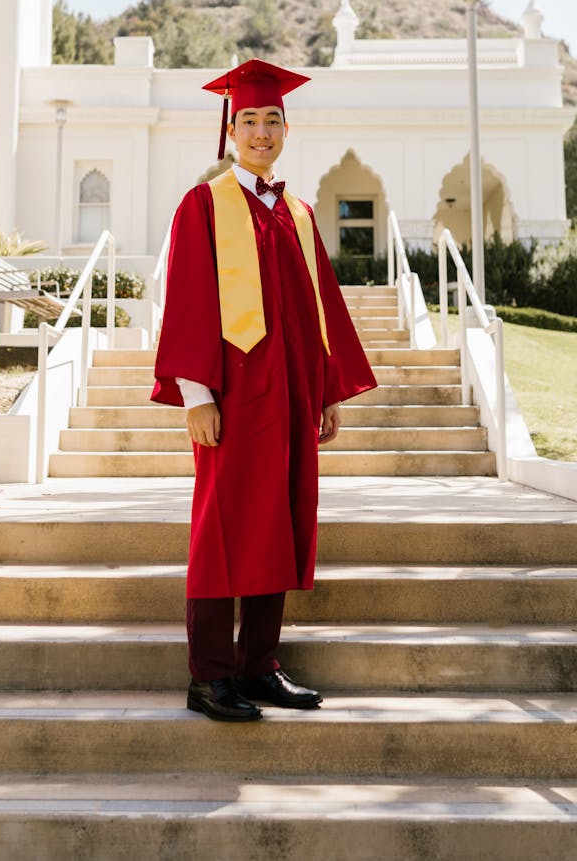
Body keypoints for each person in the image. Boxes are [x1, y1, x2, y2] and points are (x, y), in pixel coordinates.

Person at [152, 58, 376, 722]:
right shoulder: (205, 204)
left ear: (285, 128)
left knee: (279, 520)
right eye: (248, 120)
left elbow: (318, 311)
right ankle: (210, 674)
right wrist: (196, 394)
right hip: (231, 396)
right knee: (223, 528)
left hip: (291, 398)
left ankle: (259, 665)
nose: (260, 131)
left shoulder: (299, 214)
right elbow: (188, 300)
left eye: (271, 120)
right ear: (230, 129)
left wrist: (327, 389)